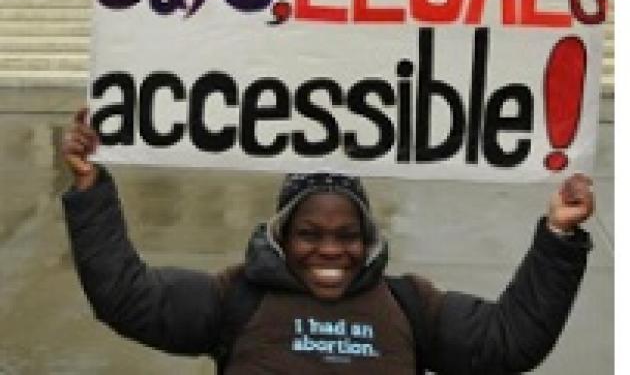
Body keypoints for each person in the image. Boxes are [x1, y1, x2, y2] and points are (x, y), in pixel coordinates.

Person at [62, 108, 594, 374]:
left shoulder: (409, 306)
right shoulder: (234, 297)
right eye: (310, 234)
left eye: (347, 235)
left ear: (367, 238)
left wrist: (558, 236)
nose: (330, 250)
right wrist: (89, 187)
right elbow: (125, 297)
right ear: (282, 236)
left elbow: (510, 340)